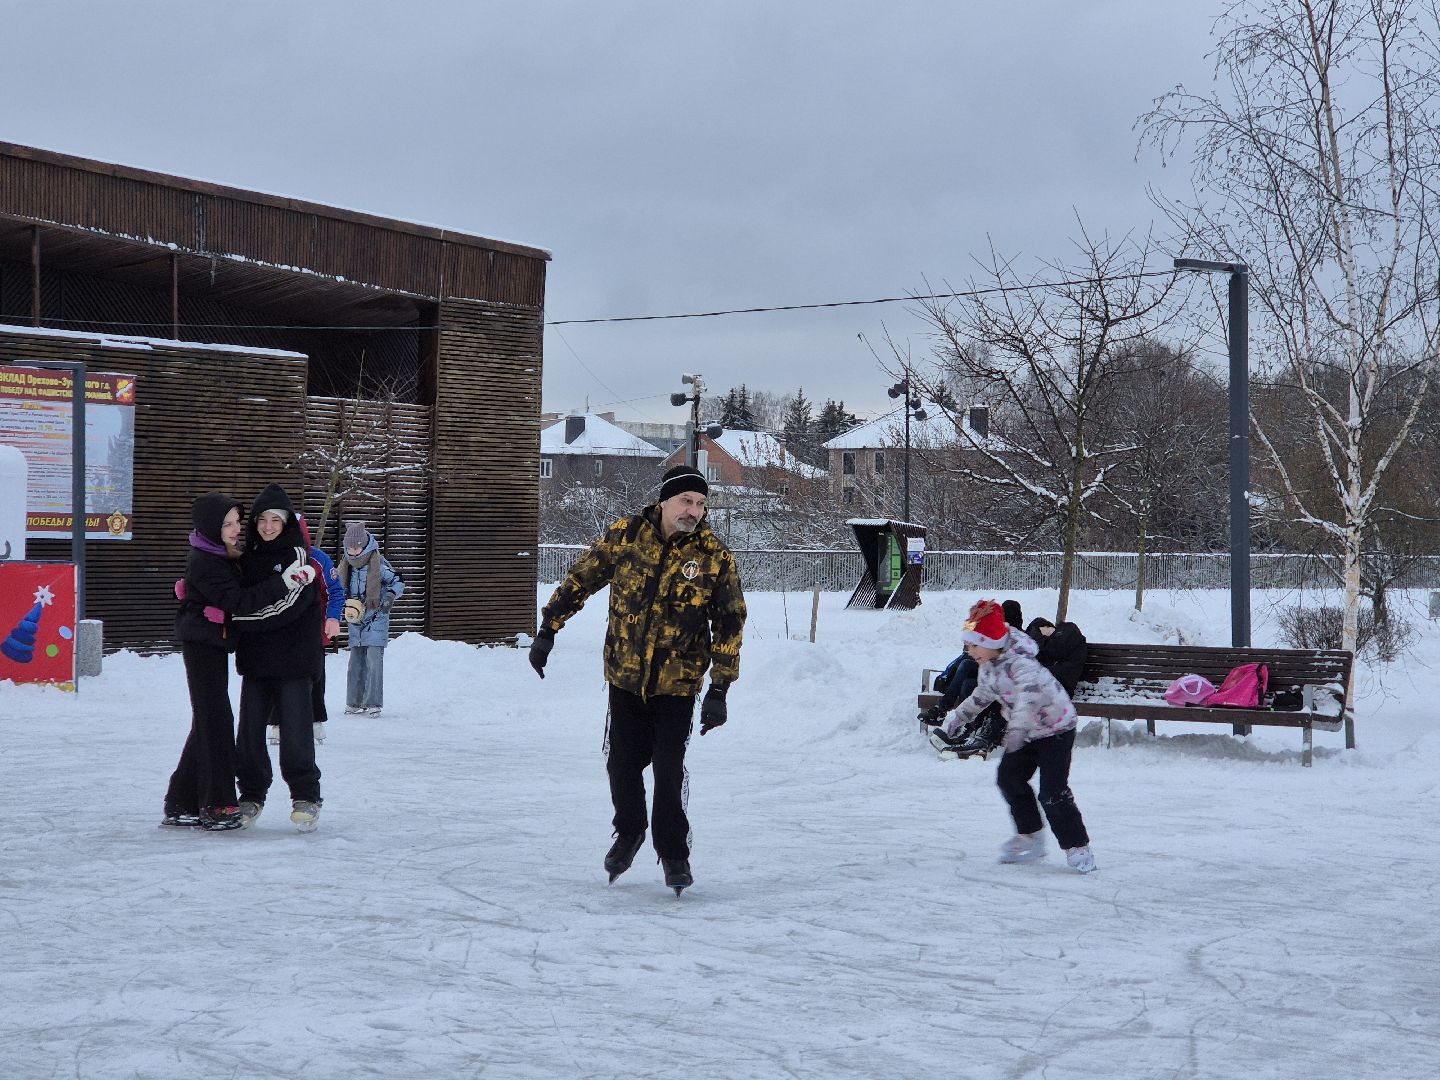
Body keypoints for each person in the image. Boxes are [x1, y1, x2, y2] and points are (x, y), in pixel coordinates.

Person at [528, 465, 747, 895]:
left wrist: (719, 688)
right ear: (663, 501)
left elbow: (730, 621)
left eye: (701, 504)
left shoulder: (713, 555)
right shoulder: (626, 536)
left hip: (678, 683)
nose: (694, 511)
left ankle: (674, 853)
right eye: (686, 501)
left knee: (668, 770)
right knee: (622, 764)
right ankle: (629, 833)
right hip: (625, 676)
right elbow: (581, 579)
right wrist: (548, 629)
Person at [163, 492, 314, 831]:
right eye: (228, 524)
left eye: (237, 522)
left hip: (212, 644)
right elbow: (240, 601)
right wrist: (283, 582)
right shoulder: (207, 559)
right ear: (211, 527)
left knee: (208, 721)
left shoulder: (220, 553)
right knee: (216, 722)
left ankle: (181, 801)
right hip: (203, 646)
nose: (236, 529)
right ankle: (216, 804)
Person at [929, 599, 1096, 874]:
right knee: (1009, 778)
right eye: (968, 645)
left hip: (1055, 729)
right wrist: (958, 717)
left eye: (975, 645)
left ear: (992, 642)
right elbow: (983, 695)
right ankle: (1030, 836)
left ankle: (1077, 846)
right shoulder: (989, 665)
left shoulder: (1022, 664)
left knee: (1052, 792)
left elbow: (1028, 701)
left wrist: (1017, 731)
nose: (970, 651)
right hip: (1026, 732)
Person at [233, 484, 326, 831]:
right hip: (256, 661)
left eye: (275, 519)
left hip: (294, 661)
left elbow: (284, 608)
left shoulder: (299, 559)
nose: (268, 526)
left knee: (295, 732)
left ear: (286, 523)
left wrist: (241, 616)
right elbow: (234, 597)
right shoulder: (246, 559)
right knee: (249, 733)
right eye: (262, 519)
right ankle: (251, 794)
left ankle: (306, 795)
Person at [266, 512, 344, 746]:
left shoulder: (318, 559)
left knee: (314, 674)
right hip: (279, 630)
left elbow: (335, 591)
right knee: (277, 673)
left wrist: (332, 617)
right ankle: (278, 722)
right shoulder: (269, 558)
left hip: (312, 631)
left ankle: (314, 719)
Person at [918, 599, 1026, 753]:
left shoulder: (1017, 638)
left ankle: (956, 721)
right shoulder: (999, 633)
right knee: (967, 675)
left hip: (1002, 683)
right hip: (988, 676)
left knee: (967, 679)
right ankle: (955, 722)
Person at [338, 520, 405, 717]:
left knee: (374, 660)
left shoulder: (378, 564)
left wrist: (390, 596)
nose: (353, 551)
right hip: (355, 618)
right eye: (350, 547)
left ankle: (373, 703)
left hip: (376, 616)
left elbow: (398, 581)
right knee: (355, 661)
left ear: (365, 544)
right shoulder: (345, 565)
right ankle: (354, 702)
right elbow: (337, 587)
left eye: (356, 547)